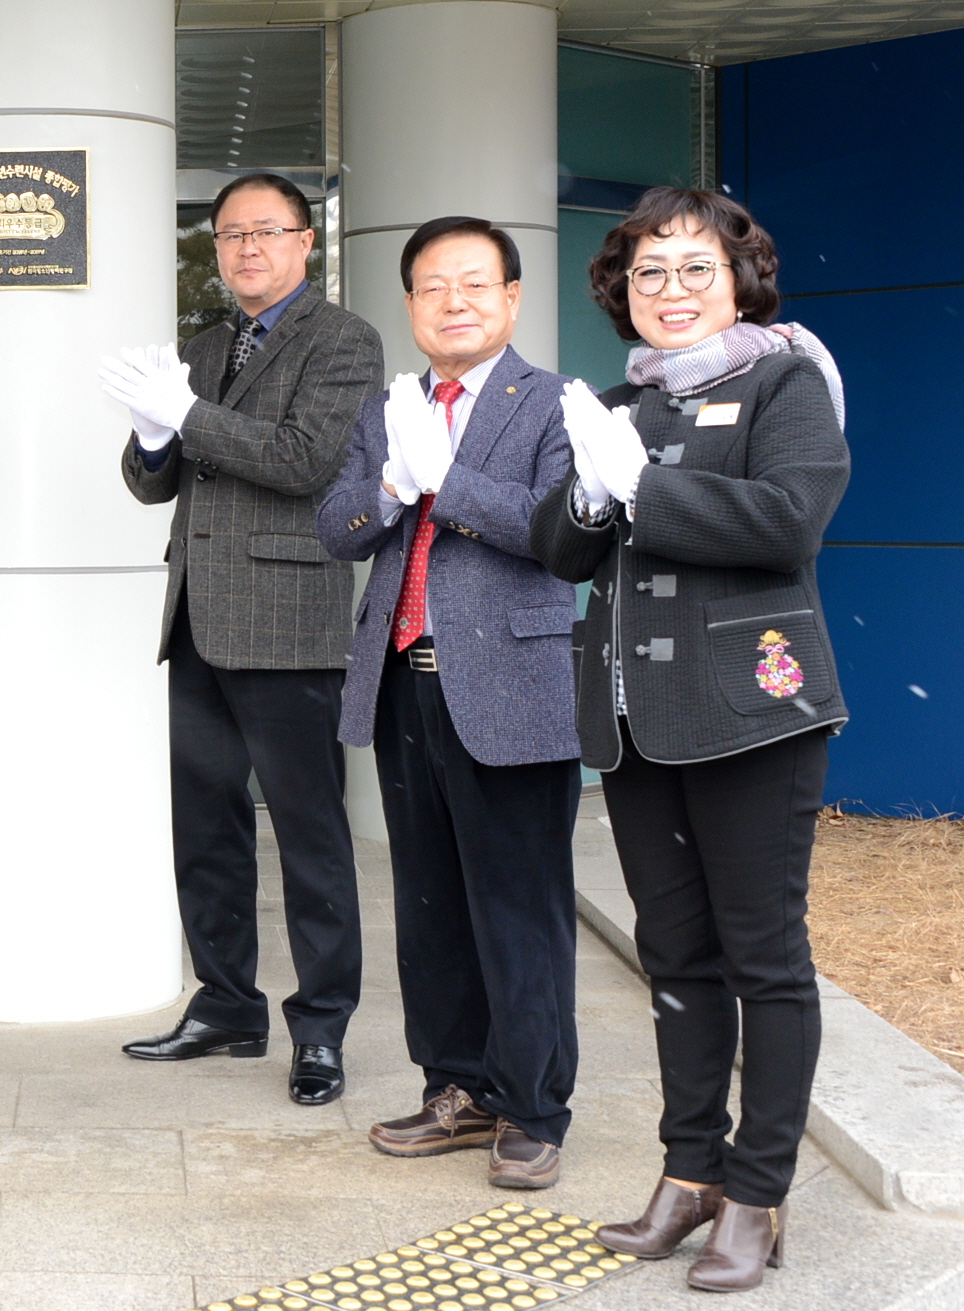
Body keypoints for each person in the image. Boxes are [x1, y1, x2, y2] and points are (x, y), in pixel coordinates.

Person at [530, 187, 848, 1293]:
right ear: (623, 292)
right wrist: (589, 490)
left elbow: (790, 521)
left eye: (695, 267)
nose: (671, 290)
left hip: (750, 713)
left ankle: (757, 1194)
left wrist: (644, 488)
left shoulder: (785, 382)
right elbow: (563, 553)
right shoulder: (622, 400)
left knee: (764, 959)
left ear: (740, 280)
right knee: (673, 955)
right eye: (648, 272)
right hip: (636, 722)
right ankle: (690, 1171)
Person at [100, 172, 382, 1104]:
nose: (246, 248)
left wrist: (186, 416)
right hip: (197, 619)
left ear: (306, 241)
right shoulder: (205, 344)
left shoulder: (343, 339)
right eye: (230, 235)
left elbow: (305, 460)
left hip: (289, 622)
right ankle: (226, 1003)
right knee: (207, 830)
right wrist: (152, 436)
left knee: (309, 836)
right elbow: (158, 483)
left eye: (266, 231)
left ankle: (322, 1027)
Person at [317, 217, 582, 1189]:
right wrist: (393, 484)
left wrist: (451, 481)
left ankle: (533, 1108)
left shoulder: (557, 404)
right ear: (410, 305)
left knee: (519, 908)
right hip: (402, 683)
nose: (453, 302)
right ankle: (458, 1087)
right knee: (429, 906)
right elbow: (337, 527)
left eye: (474, 283)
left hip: (513, 690)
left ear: (512, 297)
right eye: (433, 286)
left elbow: (562, 534)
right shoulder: (388, 408)